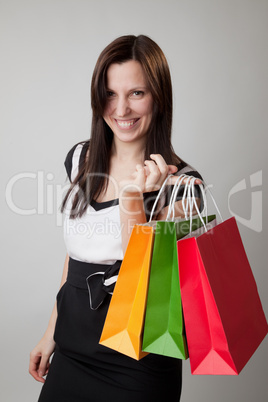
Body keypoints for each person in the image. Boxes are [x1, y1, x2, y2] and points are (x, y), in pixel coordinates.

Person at [29, 34, 203, 402]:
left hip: (138, 359)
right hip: (72, 347)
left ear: (159, 96)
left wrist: (132, 198)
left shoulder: (185, 186)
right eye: (110, 93)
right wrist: (50, 333)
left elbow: (144, 272)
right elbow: (77, 255)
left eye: (136, 93)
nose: (121, 109)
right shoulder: (81, 157)